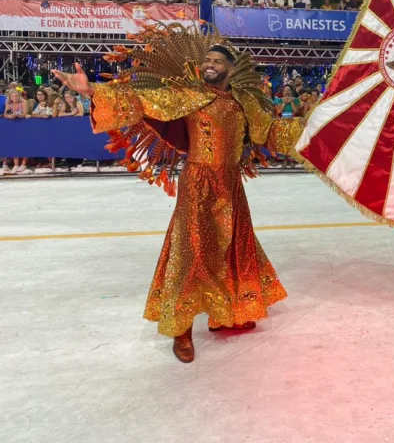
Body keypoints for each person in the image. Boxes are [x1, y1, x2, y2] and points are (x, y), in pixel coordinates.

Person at [52, 25, 303, 363]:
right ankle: (180, 328)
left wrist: (314, 126)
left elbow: (269, 133)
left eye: (217, 61)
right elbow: (139, 100)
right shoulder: (188, 96)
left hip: (230, 182)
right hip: (197, 181)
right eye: (208, 60)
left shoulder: (245, 103)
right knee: (190, 249)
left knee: (230, 244)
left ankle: (224, 312)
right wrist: (92, 90)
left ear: (230, 69)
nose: (210, 64)